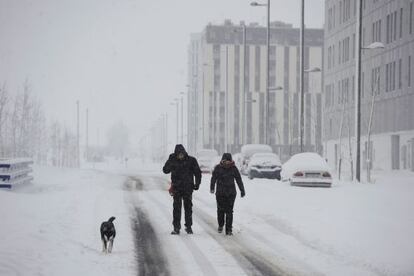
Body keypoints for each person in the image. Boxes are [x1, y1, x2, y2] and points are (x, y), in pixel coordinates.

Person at [163, 144, 202, 235]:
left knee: (188, 208)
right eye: (178, 154)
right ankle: (176, 228)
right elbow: (165, 170)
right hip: (176, 188)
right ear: (176, 154)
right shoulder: (173, 160)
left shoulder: (191, 160)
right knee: (176, 208)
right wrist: (170, 161)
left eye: (182, 154)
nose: (180, 156)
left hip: (188, 188)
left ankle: (188, 227)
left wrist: (197, 183)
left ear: (184, 153)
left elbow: (198, 173)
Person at [210, 153, 245, 236]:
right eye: (225, 161)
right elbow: (213, 179)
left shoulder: (234, 169)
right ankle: (221, 224)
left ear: (231, 161)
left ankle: (229, 229)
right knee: (220, 210)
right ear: (222, 160)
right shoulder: (218, 168)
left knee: (229, 211)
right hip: (220, 193)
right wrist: (212, 188)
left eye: (228, 161)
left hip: (231, 193)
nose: (227, 163)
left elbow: (238, 179)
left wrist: (242, 190)